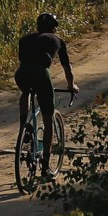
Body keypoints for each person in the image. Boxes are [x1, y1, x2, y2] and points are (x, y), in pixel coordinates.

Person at [14, 12, 77, 172]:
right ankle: (46, 164)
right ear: (54, 28)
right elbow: (67, 69)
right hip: (41, 74)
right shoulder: (58, 41)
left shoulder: (24, 39)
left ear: (37, 27)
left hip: (21, 73)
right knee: (48, 118)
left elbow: (24, 60)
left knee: (26, 92)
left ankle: (24, 126)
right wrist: (71, 85)